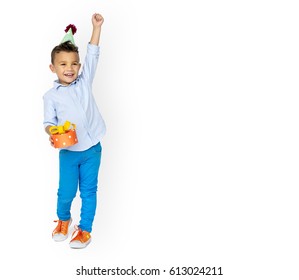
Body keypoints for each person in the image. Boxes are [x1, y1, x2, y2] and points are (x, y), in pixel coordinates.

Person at [43, 13, 106, 249]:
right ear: (53, 67)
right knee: (66, 191)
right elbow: (48, 122)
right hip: (68, 151)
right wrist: (52, 132)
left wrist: (96, 27)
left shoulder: (85, 81)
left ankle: (85, 230)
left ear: (79, 66)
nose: (69, 68)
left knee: (89, 191)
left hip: (92, 149)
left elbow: (93, 53)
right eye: (63, 64)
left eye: (73, 63)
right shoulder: (50, 97)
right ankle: (64, 220)